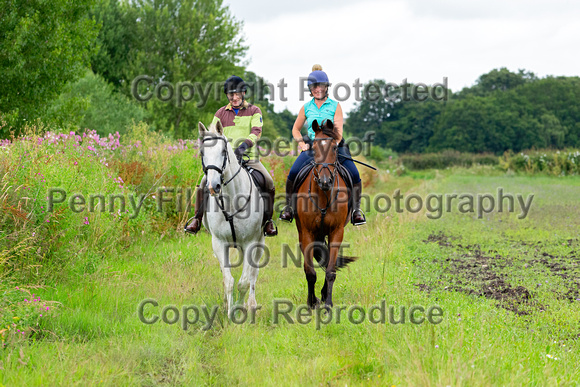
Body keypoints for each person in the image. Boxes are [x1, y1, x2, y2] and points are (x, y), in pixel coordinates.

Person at [185, 75, 278, 236]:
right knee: (203, 183)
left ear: (243, 93)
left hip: (248, 158)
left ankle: (268, 221)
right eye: (231, 94)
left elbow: (256, 131)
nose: (234, 98)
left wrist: (243, 146)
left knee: (268, 181)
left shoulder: (254, 111)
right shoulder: (221, 113)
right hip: (224, 160)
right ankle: (197, 219)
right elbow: (212, 133)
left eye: (237, 94)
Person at [279, 65, 366, 225]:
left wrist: (333, 145)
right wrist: (302, 144)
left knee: (354, 174)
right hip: (313, 146)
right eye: (314, 87)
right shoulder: (306, 107)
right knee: (293, 173)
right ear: (310, 89)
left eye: (321, 86)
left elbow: (338, 130)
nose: (318, 89)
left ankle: (356, 211)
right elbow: (295, 129)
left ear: (327, 88)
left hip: (335, 146)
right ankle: (289, 208)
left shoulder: (335, 105)